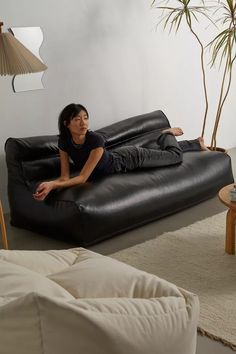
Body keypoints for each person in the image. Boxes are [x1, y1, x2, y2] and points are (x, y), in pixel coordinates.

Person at [33, 103, 209, 201]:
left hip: (131, 159)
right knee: (161, 155)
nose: (83, 123)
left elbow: (82, 178)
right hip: (121, 157)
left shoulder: (96, 141)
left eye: (85, 118)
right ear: (66, 124)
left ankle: (166, 134)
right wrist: (49, 186)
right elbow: (64, 177)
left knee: (174, 157)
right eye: (77, 119)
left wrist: (53, 185)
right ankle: (195, 143)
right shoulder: (64, 142)